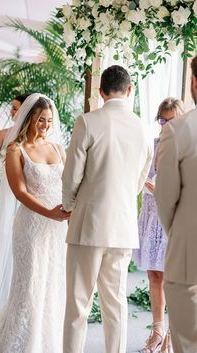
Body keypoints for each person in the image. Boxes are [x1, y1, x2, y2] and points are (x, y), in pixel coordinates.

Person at [0, 94, 70, 352]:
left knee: (51, 282)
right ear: (29, 118)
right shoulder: (15, 149)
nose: (45, 124)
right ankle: (23, 341)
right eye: (40, 119)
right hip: (32, 224)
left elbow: (69, 183)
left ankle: (47, 340)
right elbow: (19, 192)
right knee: (30, 283)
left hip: (57, 227)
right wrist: (49, 212)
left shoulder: (58, 148)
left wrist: (68, 210)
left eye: (49, 120)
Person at [62, 65, 153, 353]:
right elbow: (140, 180)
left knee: (79, 303)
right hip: (123, 226)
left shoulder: (87, 122)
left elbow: (71, 176)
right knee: (115, 303)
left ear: (100, 92)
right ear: (129, 90)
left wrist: (69, 207)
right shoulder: (143, 128)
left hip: (88, 225)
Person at [133, 98, 184, 353]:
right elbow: (139, 175)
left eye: (170, 120)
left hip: (175, 221)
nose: (165, 125)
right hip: (152, 218)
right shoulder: (152, 147)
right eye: (162, 120)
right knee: (155, 275)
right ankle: (157, 331)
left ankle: (173, 337)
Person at [154, 57, 197, 353]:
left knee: (188, 343)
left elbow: (165, 199)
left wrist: (179, 233)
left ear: (194, 83)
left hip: (188, 257)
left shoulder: (179, 130)